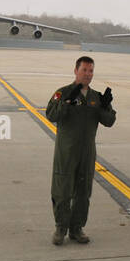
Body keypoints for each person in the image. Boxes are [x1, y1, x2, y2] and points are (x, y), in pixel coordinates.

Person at [45, 56, 116, 245]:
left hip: (87, 153)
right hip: (66, 152)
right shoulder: (63, 92)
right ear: (76, 71)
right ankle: (61, 228)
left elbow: (109, 122)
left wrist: (106, 105)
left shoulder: (95, 97)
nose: (88, 74)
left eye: (91, 71)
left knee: (83, 193)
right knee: (62, 191)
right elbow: (51, 115)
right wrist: (66, 103)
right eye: (84, 70)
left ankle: (77, 229)